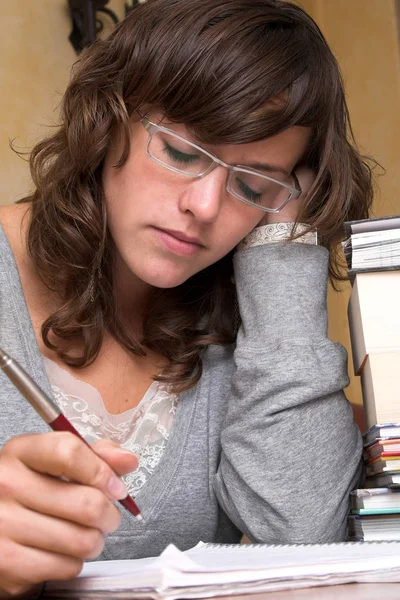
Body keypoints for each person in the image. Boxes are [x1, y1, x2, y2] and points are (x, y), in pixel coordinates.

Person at [0, 0, 373, 596]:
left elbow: (304, 536)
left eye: (253, 184)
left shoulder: (239, 325)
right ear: (107, 116)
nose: (205, 207)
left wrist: (282, 250)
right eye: (179, 153)